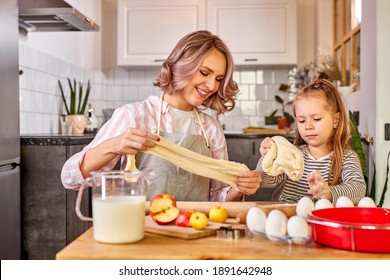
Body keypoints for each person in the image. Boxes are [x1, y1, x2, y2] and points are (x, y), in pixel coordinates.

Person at [61, 30, 262, 201]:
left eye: (218, 79)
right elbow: (69, 178)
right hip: (141, 233)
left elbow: (217, 197)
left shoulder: (211, 128)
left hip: (196, 232)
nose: (212, 86)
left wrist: (239, 187)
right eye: (204, 73)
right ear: (181, 65)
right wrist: (115, 145)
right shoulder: (134, 116)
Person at [256, 79, 366, 204]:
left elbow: (358, 189)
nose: (308, 126)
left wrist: (329, 193)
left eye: (317, 119)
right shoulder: (291, 155)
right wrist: (267, 157)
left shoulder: (346, 157)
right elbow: (265, 181)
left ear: (336, 120)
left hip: (323, 218)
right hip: (289, 216)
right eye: (301, 121)